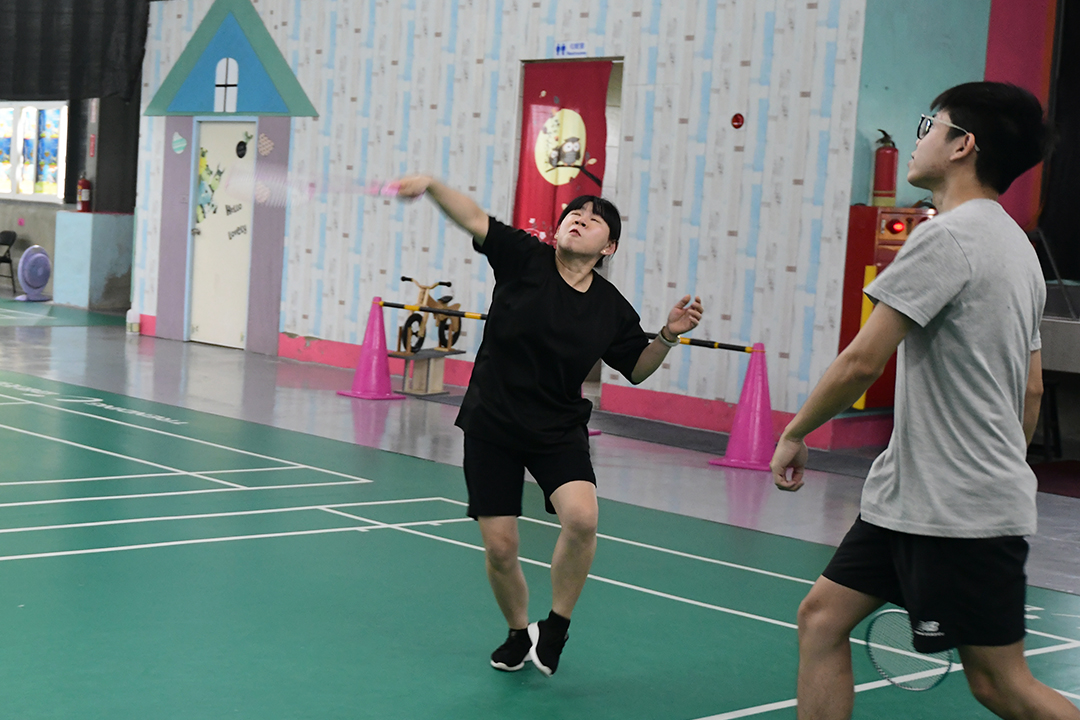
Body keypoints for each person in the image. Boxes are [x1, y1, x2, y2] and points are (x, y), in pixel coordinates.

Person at [771, 82, 1078, 719]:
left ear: (962, 145)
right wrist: (1000, 467)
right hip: (907, 498)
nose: (918, 140)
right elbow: (1032, 387)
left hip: (956, 511)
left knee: (1000, 685)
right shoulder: (1017, 247)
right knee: (821, 618)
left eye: (929, 126)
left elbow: (862, 361)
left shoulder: (946, 238)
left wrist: (795, 431)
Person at [394, 175, 704, 677]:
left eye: (595, 219)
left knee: (582, 519)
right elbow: (473, 217)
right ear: (558, 229)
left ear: (609, 247)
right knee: (501, 548)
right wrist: (431, 184)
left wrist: (667, 335)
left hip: (556, 428)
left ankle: (556, 626)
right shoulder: (524, 258)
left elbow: (637, 367)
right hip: (493, 421)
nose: (580, 219)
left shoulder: (610, 307)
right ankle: (519, 632)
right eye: (573, 214)